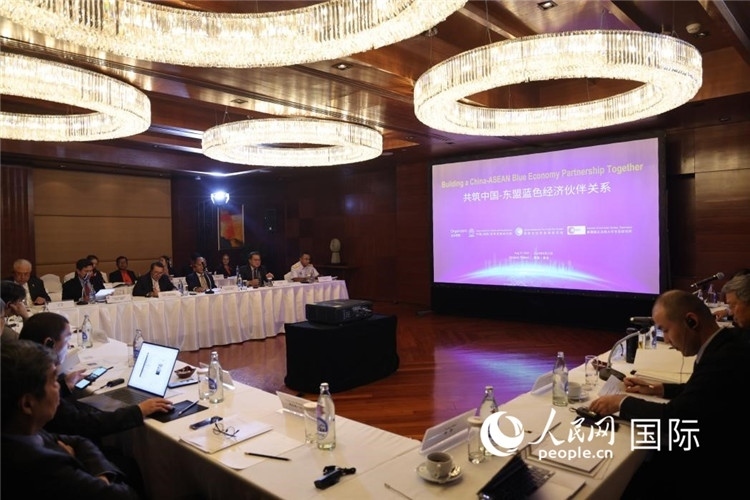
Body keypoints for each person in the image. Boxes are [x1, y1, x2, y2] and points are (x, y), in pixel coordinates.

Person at [589, 290, 750, 497]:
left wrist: (620, 403)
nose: (666, 339)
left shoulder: (723, 359)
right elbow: (705, 391)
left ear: (691, 321)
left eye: (665, 330)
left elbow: (676, 417)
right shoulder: (725, 343)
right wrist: (660, 389)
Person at [1, 339, 141, 499]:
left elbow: (78, 441)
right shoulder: (45, 469)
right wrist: (100, 478)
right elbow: (127, 496)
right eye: (53, 381)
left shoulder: (21, 430)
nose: (59, 386)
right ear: (27, 404)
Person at [19, 313, 173, 438]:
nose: (69, 346)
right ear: (49, 343)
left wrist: (64, 386)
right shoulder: (36, 381)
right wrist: (139, 411)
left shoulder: (22, 368)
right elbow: (83, 424)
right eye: (67, 340)